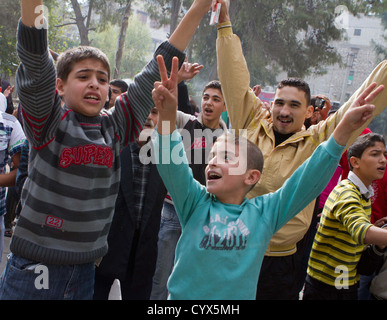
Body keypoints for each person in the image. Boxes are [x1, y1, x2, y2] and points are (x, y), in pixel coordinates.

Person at [151, 53, 384, 300]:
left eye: (227, 157)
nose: (214, 162)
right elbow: (171, 164)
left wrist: (343, 131)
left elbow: (306, 180)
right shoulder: (193, 202)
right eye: (213, 156)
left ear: (251, 177)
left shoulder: (265, 213)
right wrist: (166, 117)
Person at [0, 0, 192, 300]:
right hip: (35, 269)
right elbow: (35, 56)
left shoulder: (115, 128)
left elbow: (159, 63)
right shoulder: (47, 122)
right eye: (83, 76)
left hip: (86, 271)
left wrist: (200, 7)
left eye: (102, 79)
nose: (95, 84)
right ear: (59, 86)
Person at [214, 0, 387, 299]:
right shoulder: (249, 123)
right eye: (280, 102)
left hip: (283, 263)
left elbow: (358, 106)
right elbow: (234, 77)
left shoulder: (318, 141)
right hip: (233, 248)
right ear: (271, 104)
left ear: (308, 112)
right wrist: (224, 25)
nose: (284, 110)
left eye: (294, 105)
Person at [151, 78, 228, 300]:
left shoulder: (228, 139)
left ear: (225, 106)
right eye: (205, 97)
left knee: (194, 273)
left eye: (216, 99)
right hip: (172, 209)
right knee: (162, 273)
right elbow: (165, 109)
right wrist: (178, 81)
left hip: (203, 215)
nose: (209, 103)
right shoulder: (185, 121)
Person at [93, 107, 168, 300]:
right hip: (106, 246)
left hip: (143, 252)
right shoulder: (109, 146)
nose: (148, 117)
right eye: (144, 110)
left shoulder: (166, 157)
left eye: (154, 112)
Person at [303, 133, 387, 300]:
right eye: (375, 154)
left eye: (384, 154)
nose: (383, 160)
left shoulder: (363, 193)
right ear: (355, 162)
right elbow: (362, 231)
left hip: (343, 285)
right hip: (326, 288)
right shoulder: (347, 193)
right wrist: (376, 235)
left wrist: (379, 241)